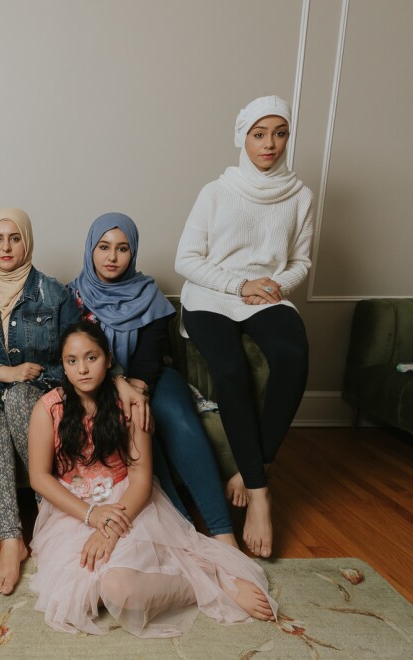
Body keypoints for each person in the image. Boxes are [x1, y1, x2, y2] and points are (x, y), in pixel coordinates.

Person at [27, 322, 277, 637]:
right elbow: (39, 477)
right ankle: (196, 582)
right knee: (82, 599)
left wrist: (110, 529)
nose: (83, 369)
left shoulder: (129, 406)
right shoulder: (49, 407)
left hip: (127, 500)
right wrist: (92, 515)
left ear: (107, 359)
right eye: (72, 361)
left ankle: (211, 579)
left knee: (119, 589)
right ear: (62, 365)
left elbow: (141, 479)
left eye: (92, 358)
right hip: (75, 508)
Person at [175, 95, 313, 558]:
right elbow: (186, 261)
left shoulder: (300, 196)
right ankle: (260, 495)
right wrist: (240, 285)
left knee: (292, 358)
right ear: (243, 137)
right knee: (230, 371)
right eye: (259, 134)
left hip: (264, 295)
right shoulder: (217, 191)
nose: (269, 144)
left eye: (279, 133)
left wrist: (272, 286)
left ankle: (255, 470)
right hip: (212, 294)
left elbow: (301, 261)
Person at [68, 212, 237, 547]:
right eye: (103, 247)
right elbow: (78, 355)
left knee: (178, 419)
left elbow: (149, 359)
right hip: (104, 385)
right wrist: (121, 387)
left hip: (152, 377)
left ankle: (223, 532)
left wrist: (139, 391)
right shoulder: (72, 298)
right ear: (90, 250)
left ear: (133, 253)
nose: (112, 257)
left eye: (122, 248)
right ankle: (185, 532)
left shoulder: (149, 294)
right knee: (140, 425)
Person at [0, 207, 80, 595]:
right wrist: (3, 374)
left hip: (44, 397)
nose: (6, 247)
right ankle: (11, 539)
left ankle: (53, 513)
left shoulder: (55, 293)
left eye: (14, 238)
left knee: (16, 399)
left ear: (27, 241)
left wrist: (27, 381)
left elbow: (73, 358)